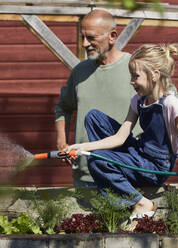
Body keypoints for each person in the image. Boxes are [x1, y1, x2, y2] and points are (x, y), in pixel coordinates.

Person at [66, 43, 178, 229]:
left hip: (155, 166)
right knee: (94, 117)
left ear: (154, 75)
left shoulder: (171, 105)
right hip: (140, 154)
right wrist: (81, 148)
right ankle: (114, 168)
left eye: (135, 76)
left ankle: (141, 202)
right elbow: (119, 138)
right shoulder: (138, 100)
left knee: (97, 162)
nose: (131, 82)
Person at [55, 9, 142, 187]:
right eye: (83, 37)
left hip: (130, 173)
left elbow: (169, 109)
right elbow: (63, 108)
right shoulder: (79, 71)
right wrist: (61, 141)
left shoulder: (137, 68)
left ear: (112, 36)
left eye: (91, 38)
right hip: (87, 176)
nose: (85, 44)